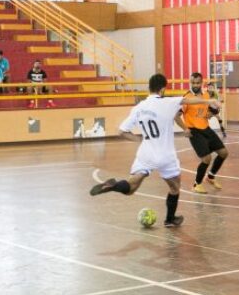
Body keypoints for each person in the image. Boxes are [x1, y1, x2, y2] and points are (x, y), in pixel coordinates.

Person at [88, 73, 221, 228]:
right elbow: (187, 100)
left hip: (146, 153)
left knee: (131, 187)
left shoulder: (139, 107)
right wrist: (209, 100)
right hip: (165, 154)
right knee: (174, 188)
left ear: (149, 88)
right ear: (163, 89)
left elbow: (122, 131)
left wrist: (141, 140)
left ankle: (113, 185)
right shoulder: (168, 102)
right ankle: (170, 219)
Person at [176, 73, 229, 194]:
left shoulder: (206, 95)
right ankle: (197, 184)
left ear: (201, 83)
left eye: (197, 83)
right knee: (206, 158)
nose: (195, 85)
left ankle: (210, 176)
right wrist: (185, 129)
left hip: (206, 128)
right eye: (193, 83)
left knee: (223, 153)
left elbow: (207, 112)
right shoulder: (186, 97)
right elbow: (177, 116)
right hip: (194, 131)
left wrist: (212, 112)